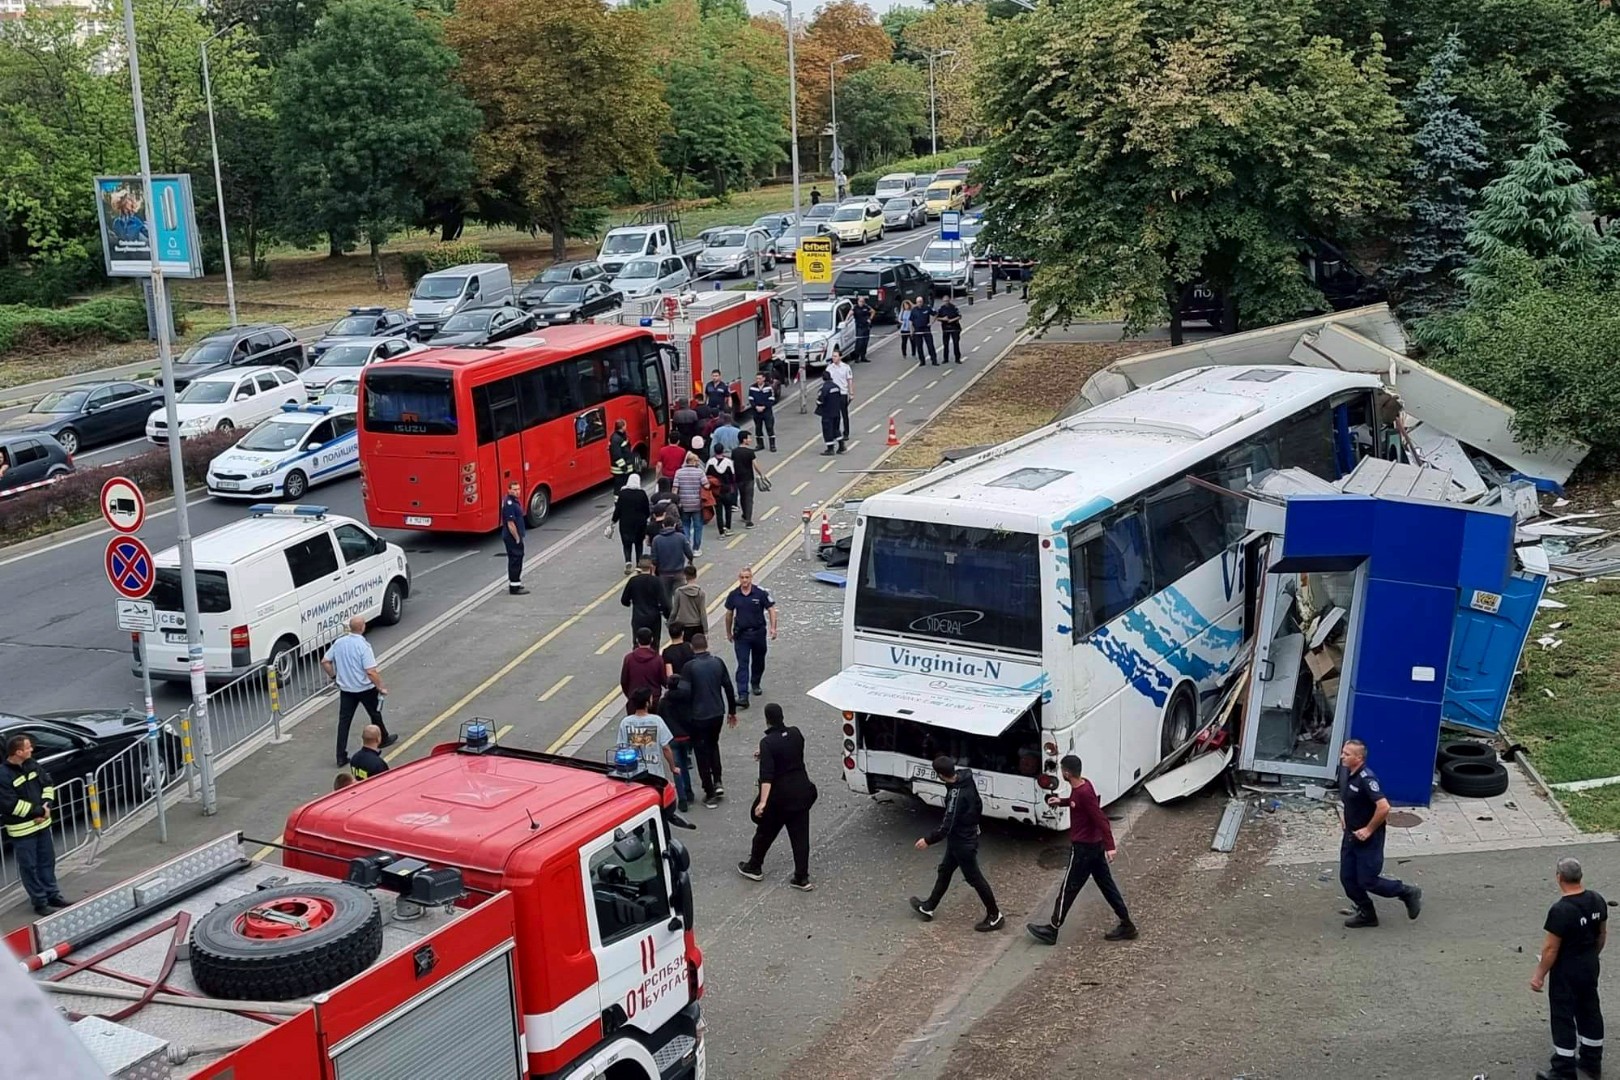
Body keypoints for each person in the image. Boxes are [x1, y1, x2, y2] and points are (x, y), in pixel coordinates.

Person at [1026, 755, 1136, 945]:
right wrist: (1061, 802)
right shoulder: (1084, 787)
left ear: (1067, 773)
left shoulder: (1083, 792)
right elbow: (1079, 804)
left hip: (1083, 850)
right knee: (1107, 887)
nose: (1061, 773)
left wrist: (1110, 846)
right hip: (1094, 847)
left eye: (1062, 770)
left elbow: (1100, 818)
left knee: (1068, 889)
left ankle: (1052, 929)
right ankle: (1127, 924)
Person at [909, 755, 1004, 932]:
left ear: (940, 775)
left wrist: (927, 840)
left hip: (963, 842)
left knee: (975, 878)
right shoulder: (965, 778)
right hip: (962, 838)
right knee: (945, 871)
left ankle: (995, 915)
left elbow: (947, 825)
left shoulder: (956, 795)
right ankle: (929, 906)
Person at [1532, 856, 1607, 1080]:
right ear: (1580, 876)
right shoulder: (1597, 900)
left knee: (1563, 1014)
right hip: (1590, 963)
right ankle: (1592, 1061)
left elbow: (1550, 950)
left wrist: (1539, 975)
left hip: (1567, 969)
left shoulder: (1561, 910)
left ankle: (1563, 1069)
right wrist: (1591, 956)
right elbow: (1602, 935)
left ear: (1559, 877)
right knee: (1590, 1009)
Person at [1337, 738, 1423, 928]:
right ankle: (1367, 913)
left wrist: (1368, 829)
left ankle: (1407, 892)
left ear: (1359, 758)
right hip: (1350, 836)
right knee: (1348, 879)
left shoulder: (1367, 779)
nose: (1342, 756)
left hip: (1368, 839)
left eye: (1347, 754)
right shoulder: (1346, 773)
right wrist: (1345, 817)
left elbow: (1384, 807)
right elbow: (1349, 800)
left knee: (1368, 880)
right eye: (1343, 752)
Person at [738, 704, 817, 891]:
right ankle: (801, 877)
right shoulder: (796, 733)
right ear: (782, 716)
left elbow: (767, 776)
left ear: (767, 719)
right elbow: (790, 751)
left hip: (779, 799)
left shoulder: (767, 743)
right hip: (801, 792)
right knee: (800, 837)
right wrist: (765, 754)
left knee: (765, 833)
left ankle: (754, 866)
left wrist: (763, 802)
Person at [2, 735, 68, 916]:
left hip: (42, 826)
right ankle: (40, 902)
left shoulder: (32, 764)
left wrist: (46, 806)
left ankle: (52, 895)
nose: (32, 750)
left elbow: (47, 784)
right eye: (28, 747)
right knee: (29, 867)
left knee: (47, 861)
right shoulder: (3, 775)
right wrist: (39, 812)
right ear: (18, 752)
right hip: (23, 830)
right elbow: (10, 804)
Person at [322, 615, 397, 767]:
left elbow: (325, 661)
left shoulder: (339, 643)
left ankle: (340, 755)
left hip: (346, 689)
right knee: (375, 714)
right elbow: (370, 671)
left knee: (344, 722)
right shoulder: (364, 646)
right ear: (363, 627)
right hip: (364, 688)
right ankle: (382, 739)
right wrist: (380, 687)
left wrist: (334, 677)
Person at [679, 633, 737, 808]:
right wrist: (732, 711)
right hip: (717, 713)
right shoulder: (718, 662)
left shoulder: (689, 667)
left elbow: (685, 694)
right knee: (713, 745)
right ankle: (718, 780)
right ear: (707, 645)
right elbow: (728, 686)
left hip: (698, 716)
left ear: (692, 648)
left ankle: (709, 790)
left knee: (701, 752)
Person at [724, 565, 777, 710]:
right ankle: (743, 695)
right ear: (739, 579)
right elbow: (729, 614)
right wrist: (728, 632)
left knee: (759, 661)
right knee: (742, 664)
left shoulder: (760, 593)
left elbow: (771, 609)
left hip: (758, 633)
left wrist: (773, 628)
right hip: (742, 635)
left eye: (747, 577)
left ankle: (755, 682)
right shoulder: (733, 595)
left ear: (751, 578)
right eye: (742, 577)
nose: (744, 580)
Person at [661, 623, 698, 810]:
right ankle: (691, 791)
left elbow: (669, 673)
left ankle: (683, 797)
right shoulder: (689, 648)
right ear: (683, 633)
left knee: (677, 766)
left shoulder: (667, 652)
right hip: (687, 732)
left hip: (673, 735)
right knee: (685, 758)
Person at [617, 688, 679, 784]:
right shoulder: (656, 720)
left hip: (634, 773)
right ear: (646, 703)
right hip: (655, 773)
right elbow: (666, 748)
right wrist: (673, 767)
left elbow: (621, 748)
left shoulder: (625, 722)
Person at [620, 557, 670, 648]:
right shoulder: (656, 581)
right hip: (654, 617)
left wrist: (630, 602)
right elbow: (664, 602)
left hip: (638, 617)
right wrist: (668, 616)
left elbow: (624, 600)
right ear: (651, 567)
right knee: (654, 644)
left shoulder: (633, 581)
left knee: (638, 643)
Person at [649, 515, 692, 608]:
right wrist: (690, 561)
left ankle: (670, 618)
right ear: (675, 525)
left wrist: (653, 572)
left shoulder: (656, 540)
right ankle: (679, 616)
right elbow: (689, 553)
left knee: (666, 598)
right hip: (679, 572)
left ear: (663, 525)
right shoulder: (681, 537)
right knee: (680, 597)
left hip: (663, 573)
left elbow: (654, 559)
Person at [610, 474, 651, 574]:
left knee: (626, 544)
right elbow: (647, 509)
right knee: (638, 544)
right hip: (640, 523)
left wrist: (613, 520)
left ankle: (628, 561)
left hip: (625, 523)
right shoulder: (642, 494)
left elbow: (618, 509)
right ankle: (638, 564)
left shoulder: (623, 494)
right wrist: (647, 518)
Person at [620, 626, 666, 708]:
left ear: (637, 640)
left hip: (634, 699)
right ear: (652, 639)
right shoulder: (658, 659)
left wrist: (630, 695)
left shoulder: (629, 658)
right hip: (653, 699)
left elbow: (624, 681)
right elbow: (663, 679)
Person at [674, 451, 707, 555]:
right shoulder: (699, 472)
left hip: (683, 503)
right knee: (698, 526)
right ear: (692, 461)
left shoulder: (679, 472)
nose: (698, 462)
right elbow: (706, 486)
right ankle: (696, 548)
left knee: (685, 525)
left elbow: (675, 488)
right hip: (697, 504)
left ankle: (687, 542)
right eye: (696, 460)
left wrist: (675, 501)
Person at [500, 481, 529, 595]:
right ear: (509, 490)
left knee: (517, 559)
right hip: (512, 537)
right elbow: (510, 523)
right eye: (515, 489)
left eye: (518, 489)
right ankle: (514, 587)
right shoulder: (510, 503)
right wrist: (517, 538)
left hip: (515, 535)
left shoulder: (514, 501)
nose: (517, 492)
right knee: (515, 560)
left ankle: (516, 583)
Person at [671, 564, 708, 639]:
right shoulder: (700, 593)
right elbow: (702, 613)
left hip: (683, 626)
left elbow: (674, 611)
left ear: (685, 576)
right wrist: (706, 631)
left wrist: (670, 624)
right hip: (697, 625)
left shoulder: (679, 592)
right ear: (695, 575)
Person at [707, 446, 737, 537]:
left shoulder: (710, 462)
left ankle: (721, 532)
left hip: (716, 491)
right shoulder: (728, 462)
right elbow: (732, 477)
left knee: (718, 512)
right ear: (723, 451)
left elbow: (707, 476)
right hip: (726, 489)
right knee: (728, 510)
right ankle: (728, 527)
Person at [827, 347, 853, 446]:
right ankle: (835, 432)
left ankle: (846, 432)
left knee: (844, 414)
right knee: (835, 414)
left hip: (842, 393)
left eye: (835, 356)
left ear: (840, 357)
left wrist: (851, 393)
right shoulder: (830, 368)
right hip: (833, 394)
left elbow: (849, 380)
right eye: (833, 356)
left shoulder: (846, 367)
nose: (833, 358)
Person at [734, 431, 760, 529]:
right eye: (749, 438)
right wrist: (761, 474)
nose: (750, 440)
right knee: (749, 498)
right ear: (744, 440)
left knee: (742, 496)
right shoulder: (750, 452)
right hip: (748, 478)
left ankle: (744, 514)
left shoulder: (735, 451)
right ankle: (748, 521)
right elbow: (755, 465)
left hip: (738, 478)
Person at [747, 373, 777, 452]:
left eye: (759, 378)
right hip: (756, 411)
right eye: (757, 378)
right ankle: (760, 444)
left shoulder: (769, 387)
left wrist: (764, 407)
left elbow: (771, 399)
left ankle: (772, 445)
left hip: (767, 411)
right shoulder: (752, 387)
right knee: (758, 428)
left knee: (769, 427)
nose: (758, 380)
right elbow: (750, 399)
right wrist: (756, 407)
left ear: (764, 378)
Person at [815, 370, 842, 456]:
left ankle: (830, 449)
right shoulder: (836, 387)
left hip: (827, 413)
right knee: (836, 429)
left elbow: (820, 401)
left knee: (827, 430)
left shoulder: (824, 388)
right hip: (837, 412)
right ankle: (841, 445)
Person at [608, 418, 635, 492]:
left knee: (627, 487)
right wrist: (623, 467)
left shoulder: (621, 436)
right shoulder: (615, 439)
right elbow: (616, 455)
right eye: (625, 425)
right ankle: (618, 502)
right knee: (620, 488)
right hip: (619, 470)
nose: (626, 427)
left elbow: (626, 450)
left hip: (625, 468)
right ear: (622, 426)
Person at [910, 295, 938, 366]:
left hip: (926, 329)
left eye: (920, 302)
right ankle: (922, 361)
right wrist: (911, 331)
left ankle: (934, 360)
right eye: (918, 302)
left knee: (930, 345)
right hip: (917, 329)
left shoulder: (927, 308)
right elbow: (911, 321)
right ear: (916, 302)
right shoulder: (914, 310)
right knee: (919, 346)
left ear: (922, 302)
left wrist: (931, 323)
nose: (919, 303)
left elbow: (935, 314)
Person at [938, 295, 962, 363]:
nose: (946, 302)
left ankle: (957, 358)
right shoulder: (941, 309)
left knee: (956, 343)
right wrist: (943, 319)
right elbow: (937, 318)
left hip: (955, 328)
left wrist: (952, 320)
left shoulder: (954, 307)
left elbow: (959, 316)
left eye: (947, 301)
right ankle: (945, 359)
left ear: (949, 300)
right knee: (945, 344)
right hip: (945, 328)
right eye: (945, 301)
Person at [852, 297, 872, 363]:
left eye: (862, 301)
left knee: (865, 343)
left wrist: (870, 319)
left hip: (866, 327)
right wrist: (846, 321)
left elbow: (873, 311)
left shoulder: (866, 307)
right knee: (859, 343)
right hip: (859, 327)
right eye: (860, 301)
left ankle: (863, 357)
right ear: (858, 301)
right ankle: (856, 357)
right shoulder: (855, 308)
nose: (861, 303)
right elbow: (850, 313)